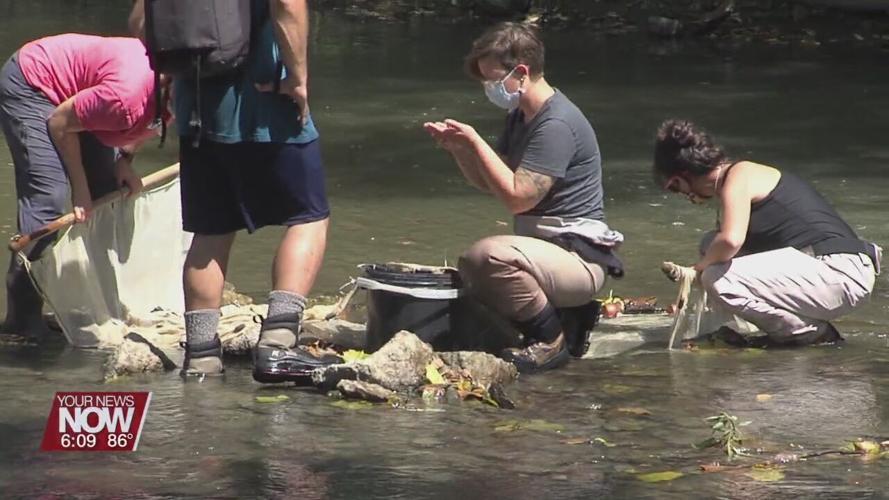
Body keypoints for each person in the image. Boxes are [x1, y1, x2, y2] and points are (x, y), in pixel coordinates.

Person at [130, 0, 332, 380]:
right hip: (269, 98)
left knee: (211, 231)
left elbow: (141, 21)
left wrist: (178, 69)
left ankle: (201, 357)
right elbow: (289, 5)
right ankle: (278, 345)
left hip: (198, 107)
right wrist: (299, 76)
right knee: (309, 216)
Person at [423, 22, 623, 372]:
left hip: (578, 259)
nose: (489, 88)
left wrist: (475, 141)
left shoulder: (556, 124)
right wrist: (459, 151)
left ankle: (550, 339)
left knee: (486, 257)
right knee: (471, 269)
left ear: (522, 72)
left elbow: (519, 199)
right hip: (546, 253)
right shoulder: (521, 116)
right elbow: (491, 183)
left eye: (493, 80)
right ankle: (569, 318)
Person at [653, 119, 880, 346]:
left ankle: (809, 334)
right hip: (828, 269)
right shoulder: (733, 181)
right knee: (710, 244)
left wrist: (696, 271)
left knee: (716, 276)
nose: (680, 195)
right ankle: (775, 327)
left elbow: (731, 241)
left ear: (686, 173)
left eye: (674, 186)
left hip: (841, 272)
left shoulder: (738, 175)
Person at [0, 33, 165, 339]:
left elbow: (150, 123)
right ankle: (21, 320)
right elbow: (60, 123)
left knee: (110, 193)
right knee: (48, 198)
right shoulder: (125, 98)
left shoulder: (186, 92)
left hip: (88, 95)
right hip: (34, 83)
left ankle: (100, 301)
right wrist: (80, 188)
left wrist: (123, 161)